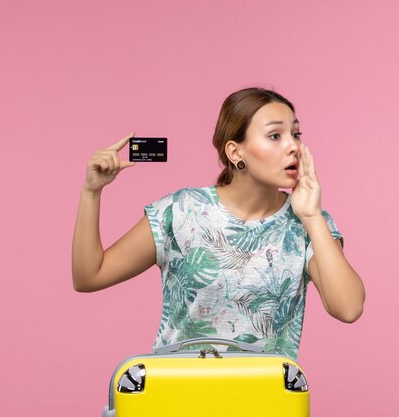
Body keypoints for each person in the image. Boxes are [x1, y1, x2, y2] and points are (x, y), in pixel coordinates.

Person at [71, 87, 365, 359]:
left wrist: (312, 218)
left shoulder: (309, 224)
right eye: (276, 136)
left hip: (266, 401)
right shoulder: (183, 211)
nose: (294, 147)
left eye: (296, 134)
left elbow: (349, 308)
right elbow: (90, 276)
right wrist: (91, 192)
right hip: (178, 397)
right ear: (236, 152)